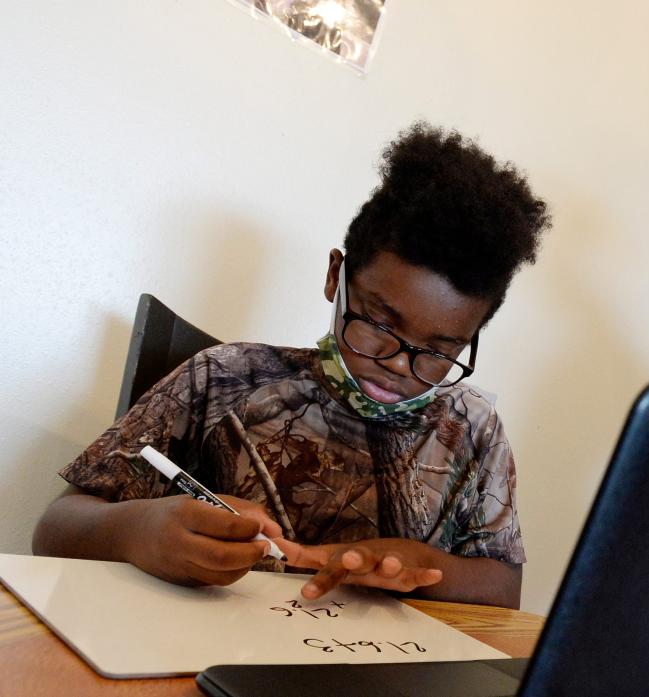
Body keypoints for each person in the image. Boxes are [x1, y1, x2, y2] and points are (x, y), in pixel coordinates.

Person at [32, 122, 550, 609]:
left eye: (439, 351)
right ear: (336, 276)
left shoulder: (472, 429)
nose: (397, 364)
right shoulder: (224, 377)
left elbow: (504, 589)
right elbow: (54, 527)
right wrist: (141, 531)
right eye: (378, 322)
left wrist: (421, 563)